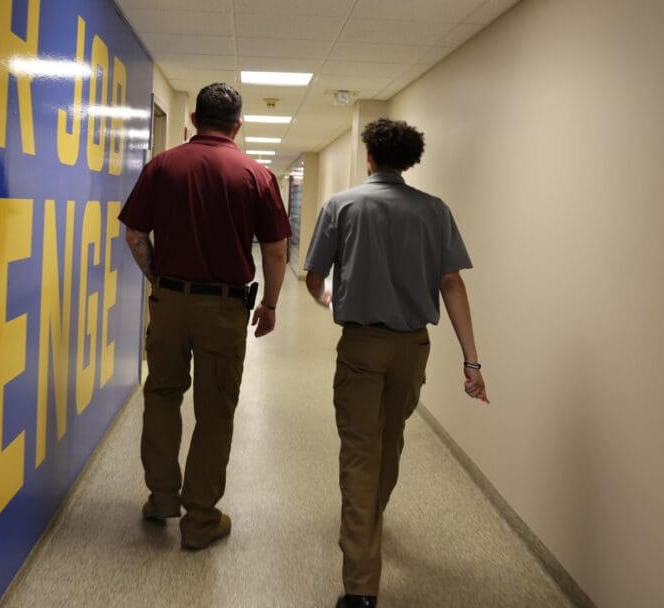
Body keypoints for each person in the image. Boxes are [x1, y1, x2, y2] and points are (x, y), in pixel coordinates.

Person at [304, 118, 488, 608]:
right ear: (409, 162)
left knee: (361, 452)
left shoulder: (342, 206)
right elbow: (452, 284)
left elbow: (315, 274)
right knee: (389, 442)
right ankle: (368, 527)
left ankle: (361, 586)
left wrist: (328, 296)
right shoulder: (434, 211)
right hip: (413, 348)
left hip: (362, 345)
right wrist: (472, 363)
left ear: (369, 157)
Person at [118, 82, 291, 550]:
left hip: (170, 301)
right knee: (215, 411)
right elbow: (276, 251)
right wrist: (270, 304)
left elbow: (135, 234)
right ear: (239, 125)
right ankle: (199, 519)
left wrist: (159, 280)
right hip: (224, 307)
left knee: (162, 395)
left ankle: (160, 497)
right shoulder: (255, 174)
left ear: (193, 120)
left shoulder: (162, 166)